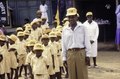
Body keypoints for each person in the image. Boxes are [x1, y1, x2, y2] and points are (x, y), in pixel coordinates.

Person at [62, 7, 91, 79]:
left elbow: (87, 41)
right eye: (69, 17)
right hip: (70, 54)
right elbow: (64, 44)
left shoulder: (83, 27)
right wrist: (64, 58)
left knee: (82, 75)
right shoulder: (65, 29)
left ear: (76, 17)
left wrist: (88, 55)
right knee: (72, 76)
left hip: (80, 53)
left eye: (73, 17)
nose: (71, 19)